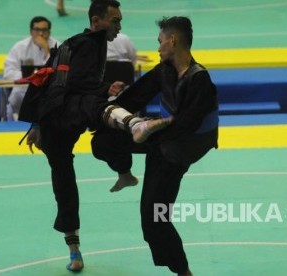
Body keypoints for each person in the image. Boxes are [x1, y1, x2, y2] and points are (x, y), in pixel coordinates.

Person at [20, 0, 171, 272]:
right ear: (96, 21)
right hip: (59, 118)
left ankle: (124, 172)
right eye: (115, 20)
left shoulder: (79, 43)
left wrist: (36, 122)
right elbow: (62, 81)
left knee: (88, 148)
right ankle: (135, 125)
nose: (119, 25)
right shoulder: (89, 43)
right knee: (97, 108)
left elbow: (53, 78)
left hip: (57, 115)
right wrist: (39, 124)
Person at [91, 16, 219, 275]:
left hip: (180, 151)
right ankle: (125, 174)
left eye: (160, 42)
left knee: (155, 219)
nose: (158, 47)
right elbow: (133, 97)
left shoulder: (200, 81)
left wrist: (146, 130)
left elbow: (186, 127)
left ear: (173, 41)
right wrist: (102, 113)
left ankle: (184, 272)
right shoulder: (164, 70)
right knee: (102, 141)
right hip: (159, 139)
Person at [3, 16, 60, 121]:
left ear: (49, 32)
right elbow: (8, 71)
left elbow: (59, 71)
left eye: (44, 30)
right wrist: (30, 77)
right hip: (24, 88)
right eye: (37, 30)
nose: (41, 34)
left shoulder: (58, 46)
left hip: (48, 89)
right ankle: (9, 128)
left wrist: (47, 50)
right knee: (13, 99)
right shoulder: (19, 47)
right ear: (31, 32)